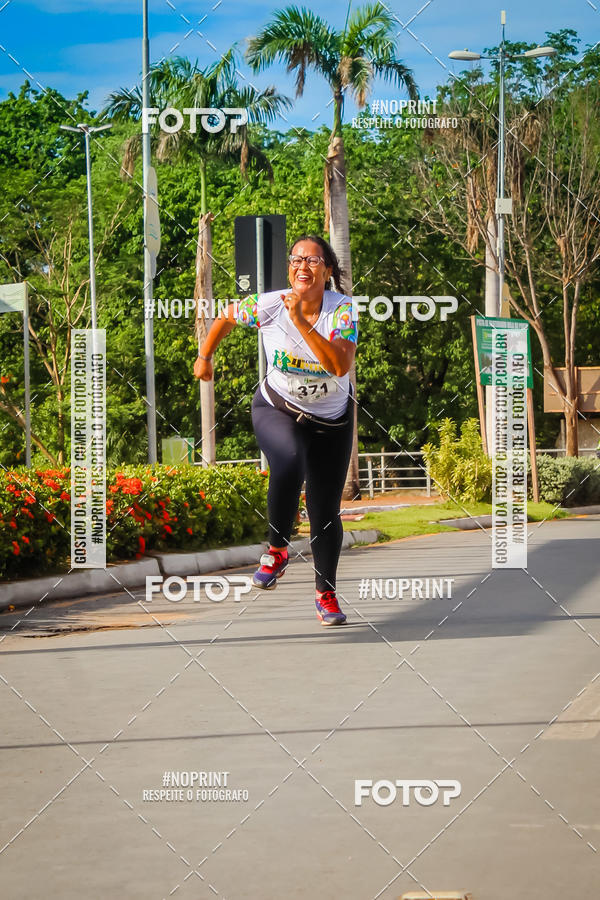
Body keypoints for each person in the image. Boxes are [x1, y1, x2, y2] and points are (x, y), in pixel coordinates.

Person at [194, 235, 358, 626]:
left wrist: (301, 321)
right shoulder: (268, 304)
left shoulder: (342, 311)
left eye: (314, 260)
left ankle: (326, 595)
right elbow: (227, 316)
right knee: (286, 463)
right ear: (289, 268)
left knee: (325, 513)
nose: (303, 266)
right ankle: (277, 549)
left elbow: (338, 366)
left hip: (332, 421)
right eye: (296, 259)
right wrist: (204, 356)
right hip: (278, 407)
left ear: (328, 270)